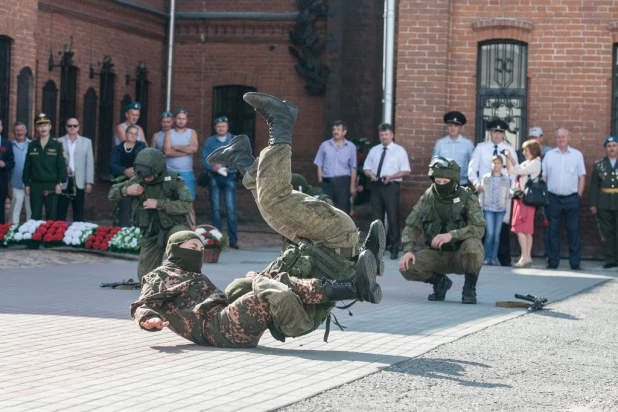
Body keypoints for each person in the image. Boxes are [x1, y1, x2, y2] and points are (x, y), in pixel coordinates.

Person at [204, 92, 385, 341]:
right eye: (244, 310)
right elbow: (283, 294)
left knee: (270, 213)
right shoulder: (293, 324)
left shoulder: (266, 291)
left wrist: (256, 282)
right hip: (336, 239)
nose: (246, 309)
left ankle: (243, 159)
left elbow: (272, 287)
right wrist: (258, 281)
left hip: (322, 241)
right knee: (274, 199)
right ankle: (281, 125)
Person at [131, 229, 381, 348]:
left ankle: (354, 272)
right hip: (217, 329)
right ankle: (354, 287)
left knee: (267, 277)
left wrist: (255, 280)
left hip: (224, 318)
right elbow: (143, 304)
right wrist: (149, 319)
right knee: (265, 285)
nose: (198, 252)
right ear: (175, 251)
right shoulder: (162, 274)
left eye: (200, 248)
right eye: (191, 248)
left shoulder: (191, 275)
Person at [399, 157, 485, 304]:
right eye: (438, 181)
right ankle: (440, 283)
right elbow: (412, 225)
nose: (441, 185)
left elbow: (479, 228)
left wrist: (452, 235)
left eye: (445, 182)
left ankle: (469, 287)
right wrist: (408, 250)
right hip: (436, 254)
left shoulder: (467, 197)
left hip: (461, 254)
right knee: (407, 267)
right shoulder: (427, 197)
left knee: (474, 246)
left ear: (454, 180)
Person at [108, 148, 192, 281]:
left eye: (149, 175)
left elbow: (186, 205)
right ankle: (161, 282)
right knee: (145, 279)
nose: (146, 179)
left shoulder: (174, 180)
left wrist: (159, 204)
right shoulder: (138, 179)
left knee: (181, 238)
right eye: (144, 176)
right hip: (151, 232)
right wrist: (126, 190)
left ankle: (184, 278)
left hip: (172, 226)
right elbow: (112, 193)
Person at [468, 118, 518, 266]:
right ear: (489, 133)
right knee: (484, 227)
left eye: (500, 133)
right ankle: (481, 257)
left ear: (503, 134)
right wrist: (477, 183)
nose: (496, 136)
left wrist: (512, 188)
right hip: (485, 191)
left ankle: (501, 258)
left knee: (501, 227)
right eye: (494, 132)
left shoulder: (509, 149)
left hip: (503, 192)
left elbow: (514, 171)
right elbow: (472, 168)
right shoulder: (481, 148)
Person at [363, 123, 412, 260]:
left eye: (386, 134)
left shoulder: (399, 151)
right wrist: (371, 175)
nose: (384, 137)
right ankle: (377, 248)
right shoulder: (374, 150)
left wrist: (391, 176)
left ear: (392, 135)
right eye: (381, 135)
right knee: (376, 219)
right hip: (376, 185)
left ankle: (395, 247)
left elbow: (406, 170)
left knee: (392, 217)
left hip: (391, 186)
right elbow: (366, 168)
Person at [542, 127, 586, 270]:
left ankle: (575, 262)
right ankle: (553, 261)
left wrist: (578, 196)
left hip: (572, 198)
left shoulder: (577, 155)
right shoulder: (549, 155)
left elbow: (582, 177)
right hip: (553, 198)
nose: (561, 139)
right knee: (552, 231)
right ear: (556, 139)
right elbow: (544, 177)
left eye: (564, 136)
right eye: (558, 137)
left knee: (573, 231)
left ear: (569, 138)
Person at [201, 116, 238, 248]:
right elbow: (204, 159)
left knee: (230, 209)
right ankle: (217, 240)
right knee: (215, 209)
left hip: (230, 177)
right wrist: (213, 167)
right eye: (218, 126)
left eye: (223, 126)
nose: (221, 128)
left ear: (227, 127)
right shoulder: (210, 141)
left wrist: (229, 168)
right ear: (215, 127)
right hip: (214, 177)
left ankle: (233, 239)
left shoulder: (234, 140)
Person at [22, 113, 67, 221]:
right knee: (35, 215)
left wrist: (60, 183)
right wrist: (26, 184)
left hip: (51, 184)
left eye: (45, 125)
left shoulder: (57, 145)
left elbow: (61, 165)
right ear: (37, 128)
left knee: (51, 214)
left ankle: (50, 238)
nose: (43, 128)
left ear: (50, 127)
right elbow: (27, 166)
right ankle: (35, 237)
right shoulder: (32, 145)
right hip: (36, 184)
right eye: (40, 126)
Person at [505, 140, 542, 268]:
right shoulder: (529, 163)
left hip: (525, 199)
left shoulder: (536, 164)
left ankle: (525, 257)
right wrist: (509, 159)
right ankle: (526, 256)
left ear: (532, 151)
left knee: (521, 228)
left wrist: (509, 157)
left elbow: (518, 170)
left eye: (526, 150)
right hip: (523, 199)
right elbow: (515, 169)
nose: (524, 153)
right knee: (526, 230)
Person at [163, 109, 198, 229]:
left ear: (186, 120)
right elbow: (167, 151)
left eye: (183, 119)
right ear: (174, 120)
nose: (181, 121)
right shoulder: (169, 133)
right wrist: (186, 151)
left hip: (187, 173)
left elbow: (194, 149)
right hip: (170, 173)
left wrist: (177, 147)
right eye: (179, 118)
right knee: (169, 202)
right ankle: (170, 231)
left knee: (189, 203)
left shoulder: (192, 132)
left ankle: (193, 232)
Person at [313, 120, 357, 214]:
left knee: (342, 211)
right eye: (334, 129)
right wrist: (321, 182)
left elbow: (353, 168)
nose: (335, 132)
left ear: (344, 132)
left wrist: (352, 185)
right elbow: (319, 164)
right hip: (327, 183)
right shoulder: (324, 146)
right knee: (326, 209)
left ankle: (343, 229)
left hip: (343, 183)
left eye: (338, 129)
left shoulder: (351, 147)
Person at [56, 118, 95, 222]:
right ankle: (59, 235)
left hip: (79, 180)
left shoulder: (86, 142)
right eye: (69, 126)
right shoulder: (58, 142)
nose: (72, 128)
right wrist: (63, 170)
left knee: (79, 211)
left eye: (75, 126)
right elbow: (55, 162)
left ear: (79, 127)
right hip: (64, 180)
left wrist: (89, 182)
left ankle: (78, 235)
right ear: (65, 127)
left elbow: (89, 162)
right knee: (60, 211)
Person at [589, 136, 618, 268]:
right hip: (604, 202)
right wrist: (593, 204)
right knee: (607, 232)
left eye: (614, 145)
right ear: (606, 148)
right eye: (609, 146)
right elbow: (594, 186)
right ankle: (610, 259)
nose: (612, 148)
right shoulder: (599, 164)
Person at [109, 125, 147, 227]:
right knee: (122, 207)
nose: (133, 136)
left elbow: (146, 162)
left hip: (138, 182)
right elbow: (112, 165)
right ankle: (120, 230)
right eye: (131, 133)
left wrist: (135, 170)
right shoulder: (118, 149)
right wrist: (124, 171)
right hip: (122, 183)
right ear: (125, 134)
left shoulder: (141, 146)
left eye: (135, 134)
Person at [478, 155, 511, 266]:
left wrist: (507, 214)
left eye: (498, 163)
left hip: (501, 209)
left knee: (497, 235)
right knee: (490, 233)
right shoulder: (486, 177)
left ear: (501, 165)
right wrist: (480, 209)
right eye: (494, 163)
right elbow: (481, 195)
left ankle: (494, 257)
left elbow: (508, 198)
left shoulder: (506, 179)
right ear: (491, 164)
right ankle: (487, 257)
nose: (496, 165)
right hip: (488, 209)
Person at [433, 111, 475, 186]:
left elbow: (472, 164)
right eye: (450, 125)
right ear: (447, 127)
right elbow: (434, 164)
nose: (453, 128)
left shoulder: (468, 144)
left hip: (461, 183)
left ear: (460, 127)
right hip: (443, 183)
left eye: (456, 126)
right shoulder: (440, 143)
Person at [9, 121, 31, 223]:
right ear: (14, 132)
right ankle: (12, 233)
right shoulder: (9, 146)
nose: (19, 132)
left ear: (25, 131)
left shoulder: (32, 145)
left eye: (21, 130)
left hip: (30, 183)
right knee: (14, 211)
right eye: (17, 130)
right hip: (15, 183)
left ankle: (31, 234)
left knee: (30, 210)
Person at [0, 119, 14, 224]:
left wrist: (5, 164)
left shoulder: (7, 143)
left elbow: (12, 162)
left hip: (1, 181)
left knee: (1, 208)